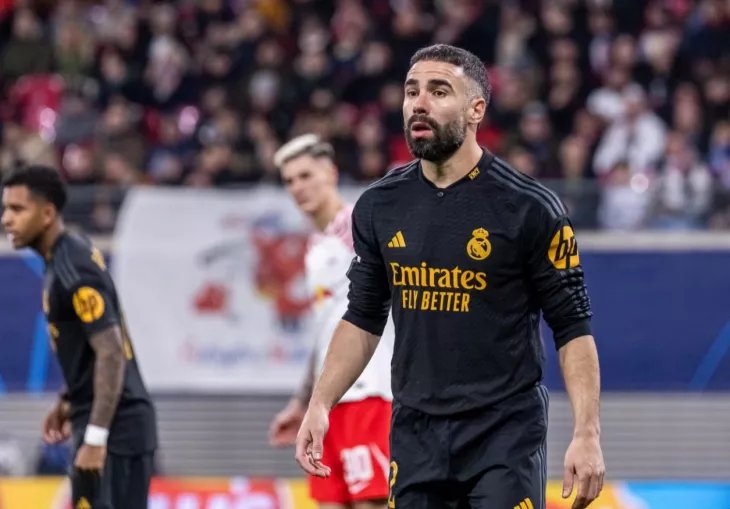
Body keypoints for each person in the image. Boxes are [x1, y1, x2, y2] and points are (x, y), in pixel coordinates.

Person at [295, 44, 605, 509]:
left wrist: (587, 433)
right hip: (415, 433)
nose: (419, 103)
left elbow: (572, 326)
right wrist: (321, 403)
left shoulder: (530, 208)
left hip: (504, 433)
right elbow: (362, 318)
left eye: (439, 91)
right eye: (411, 91)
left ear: (476, 109)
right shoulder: (380, 206)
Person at [1, 165, 157, 509]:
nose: (6, 219)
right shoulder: (62, 259)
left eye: (17, 209)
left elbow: (111, 351)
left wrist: (97, 438)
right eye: (5, 209)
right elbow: (89, 349)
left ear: (47, 214)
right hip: (102, 423)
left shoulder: (72, 267)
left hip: (117, 429)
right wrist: (69, 398)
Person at [269, 134, 394, 509]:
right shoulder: (316, 245)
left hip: (368, 392)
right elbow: (324, 331)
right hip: (327, 404)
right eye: (289, 181)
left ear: (331, 173)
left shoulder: (359, 227)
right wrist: (302, 400)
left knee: (371, 503)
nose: (297, 187)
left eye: (306, 175)